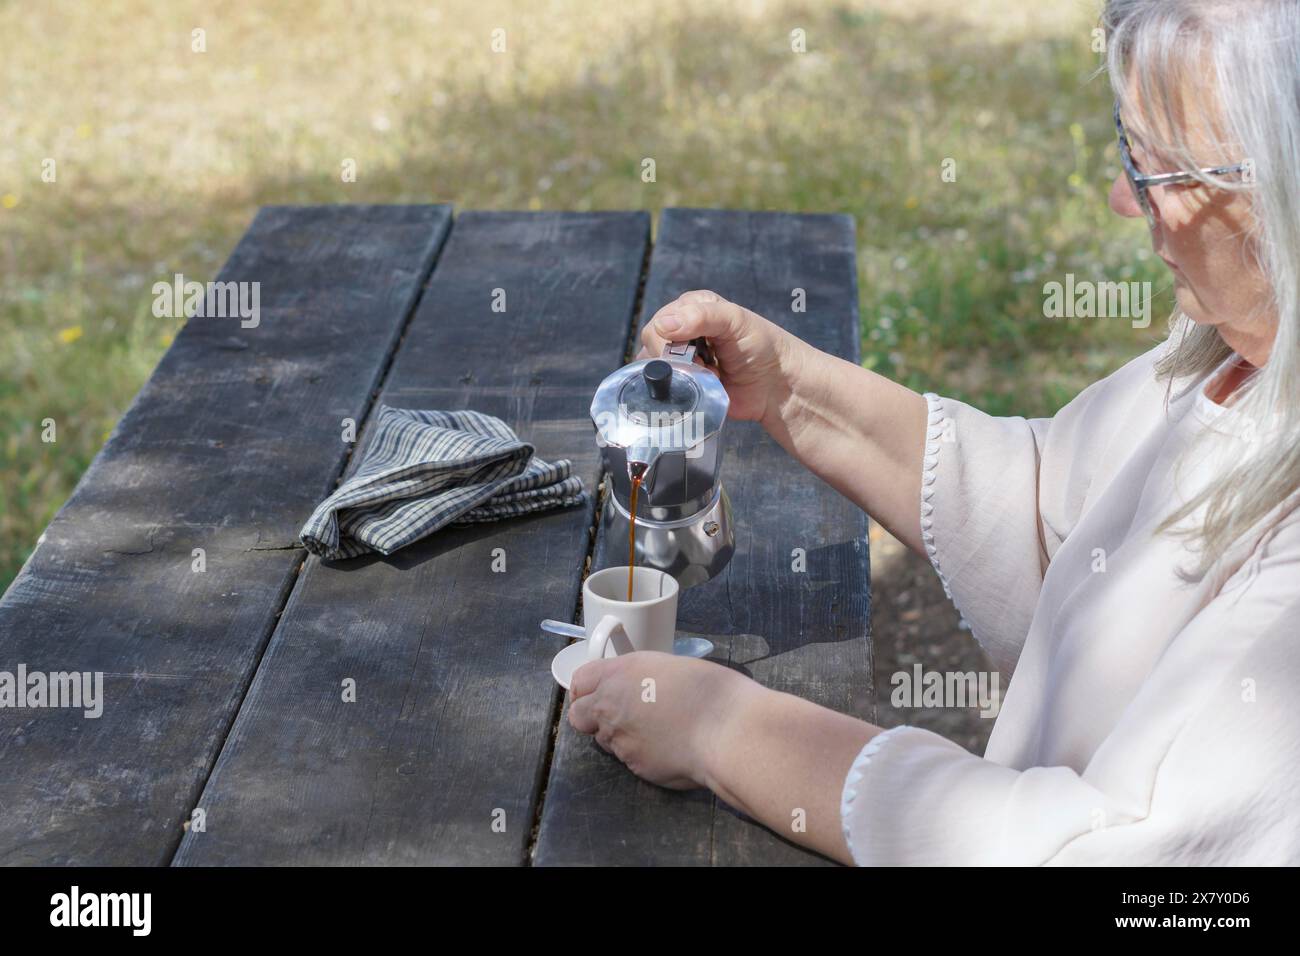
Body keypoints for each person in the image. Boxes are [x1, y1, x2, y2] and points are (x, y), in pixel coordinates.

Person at [567, 0, 1300, 865]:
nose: (1122, 200)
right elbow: (1056, 524)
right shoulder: (1243, 352)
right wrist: (791, 387)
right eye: (1127, 153)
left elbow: (1103, 863)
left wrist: (725, 730)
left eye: (1162, 172)